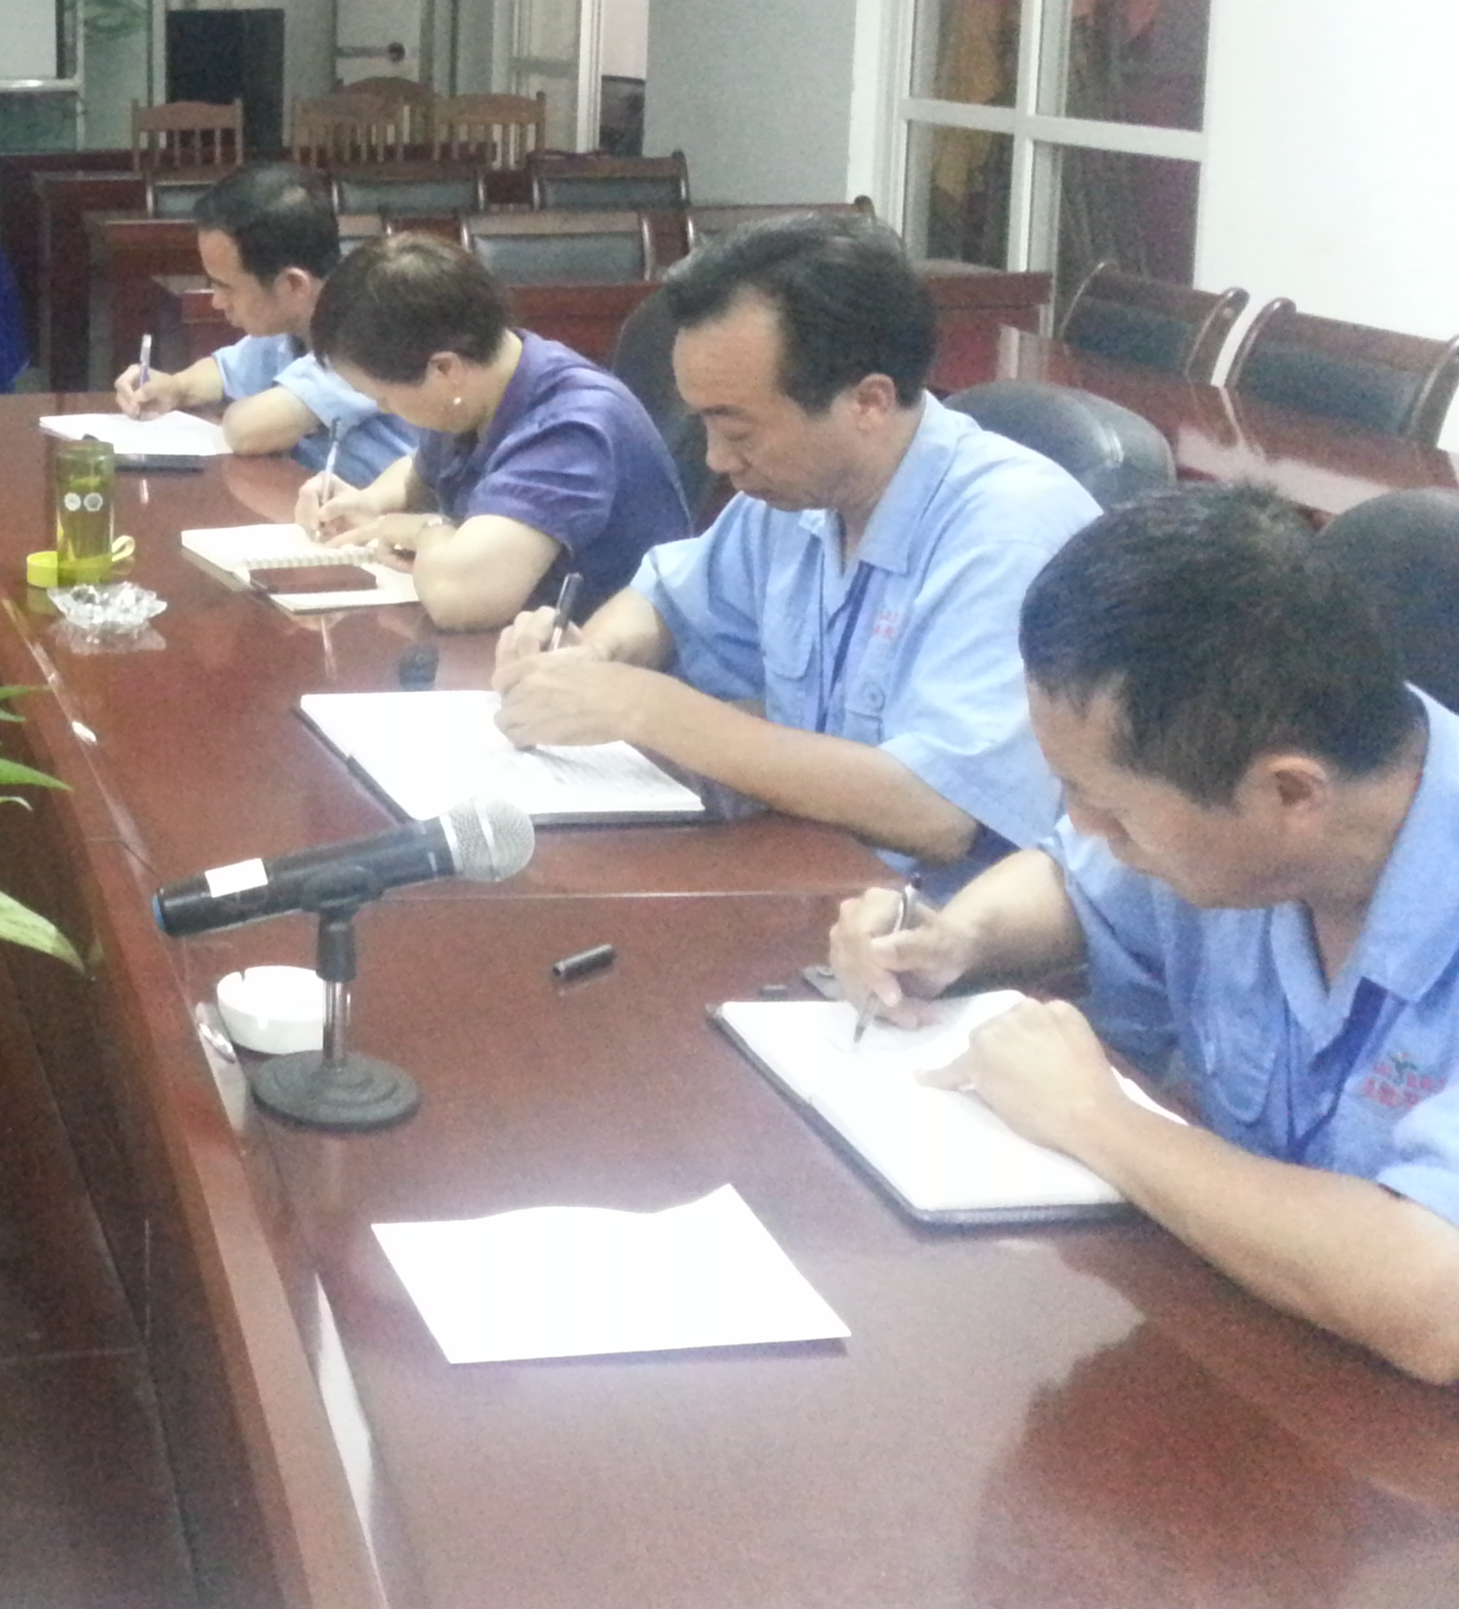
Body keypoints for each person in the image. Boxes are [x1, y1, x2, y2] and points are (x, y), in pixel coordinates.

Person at [833, 487, 1459, 1384]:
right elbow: (1074, 882)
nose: (1086, 828)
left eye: (1112, 808)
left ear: (1289, 794)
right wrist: (957, 937)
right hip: (1257, 1353)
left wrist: (1097, 1119)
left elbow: (1435, 1298)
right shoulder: (1236, 801)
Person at [489, 212, 1096, 889]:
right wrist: (588, 659)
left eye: (739, 431)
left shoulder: (1007, 533)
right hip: (804, 879)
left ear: (868, 402)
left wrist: (641, 707)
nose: (717, 461)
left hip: (938, 926)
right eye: (704, 423)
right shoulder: (798, 496)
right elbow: (664, 601)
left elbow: (938, 812)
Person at [291, 232, 694, 629]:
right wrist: (370, 502)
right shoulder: (481, 385)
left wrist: (425, 530)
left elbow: (462, 600)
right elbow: (420, 472)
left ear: (444, 369)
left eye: (384, 398)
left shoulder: (569, 428)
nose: (384, 409)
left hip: (603, 659)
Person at [112, 163, 412, 486]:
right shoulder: (290, 323)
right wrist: (174, 388)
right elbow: (222, 371)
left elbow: (247, 431)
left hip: (399, 514)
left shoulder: (369, 331)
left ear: (293, 285)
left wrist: (233, 413)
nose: (216, 302)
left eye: (226, 287)